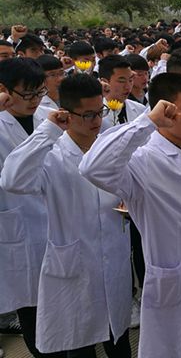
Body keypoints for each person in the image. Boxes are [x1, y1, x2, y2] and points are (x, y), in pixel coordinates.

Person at [79, 74, 181, 357]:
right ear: (165, 112)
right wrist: (147, 122)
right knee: (176, 346)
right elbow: (93, 168)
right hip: (174, 280)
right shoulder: (142, 159)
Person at [1, 74, 132, 357]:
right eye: (87, 115)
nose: (96, 121)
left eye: (100, 111)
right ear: (66, 114)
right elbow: (12, 180)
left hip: (114, 254)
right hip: (74, 261)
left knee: (119, 338)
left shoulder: (106, 143)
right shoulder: (52, 155)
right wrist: (48, 130)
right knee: (80, 343)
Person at [0, 58, 58, 358]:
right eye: (27, 94)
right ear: (4, 90)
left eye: (40, 92)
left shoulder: (49, 118)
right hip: (17, 222)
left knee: (60, 301)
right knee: (32, 307)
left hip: (55, 219)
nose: (35, 101)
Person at [98, 55, 145, 132]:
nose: (128, 86)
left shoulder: (140, 110)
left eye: (130, 80)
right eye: (121, 81)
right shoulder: (98, 115)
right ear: (104, 81)